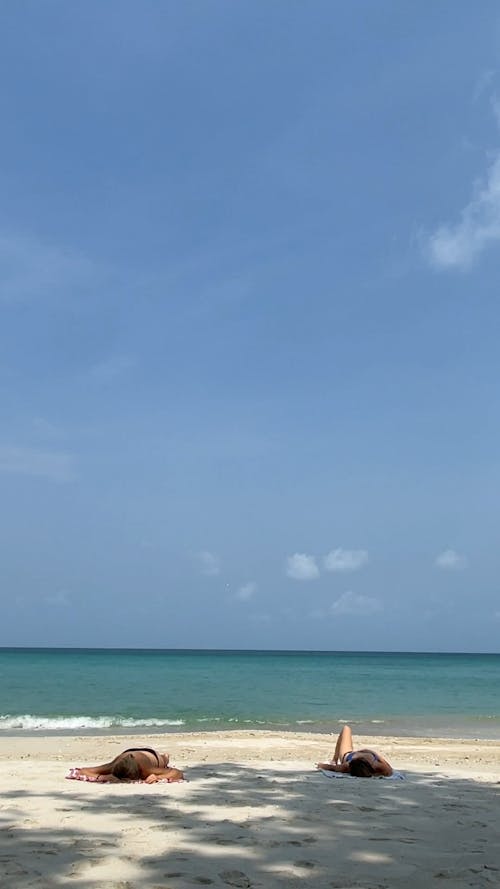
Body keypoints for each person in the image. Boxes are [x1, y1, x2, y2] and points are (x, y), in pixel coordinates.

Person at [73, 746, 184, 783]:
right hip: (129, 752)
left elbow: (177, 773)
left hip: (151, 755)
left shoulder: (146, 769)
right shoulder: (113, 766)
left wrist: (158, 776)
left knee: (163, 761)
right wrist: (102, 776)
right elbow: (82, 770)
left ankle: (166, 756)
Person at [317, 725, 393, 777]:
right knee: (346, 729)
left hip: (348, 755)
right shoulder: (379, 766)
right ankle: (334, 759)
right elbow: (387, 767)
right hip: (360, 755)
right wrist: (371, 752)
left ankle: (334, 759)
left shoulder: (346, 766)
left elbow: (332, 768)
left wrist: (320, 765)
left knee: (346, 729)